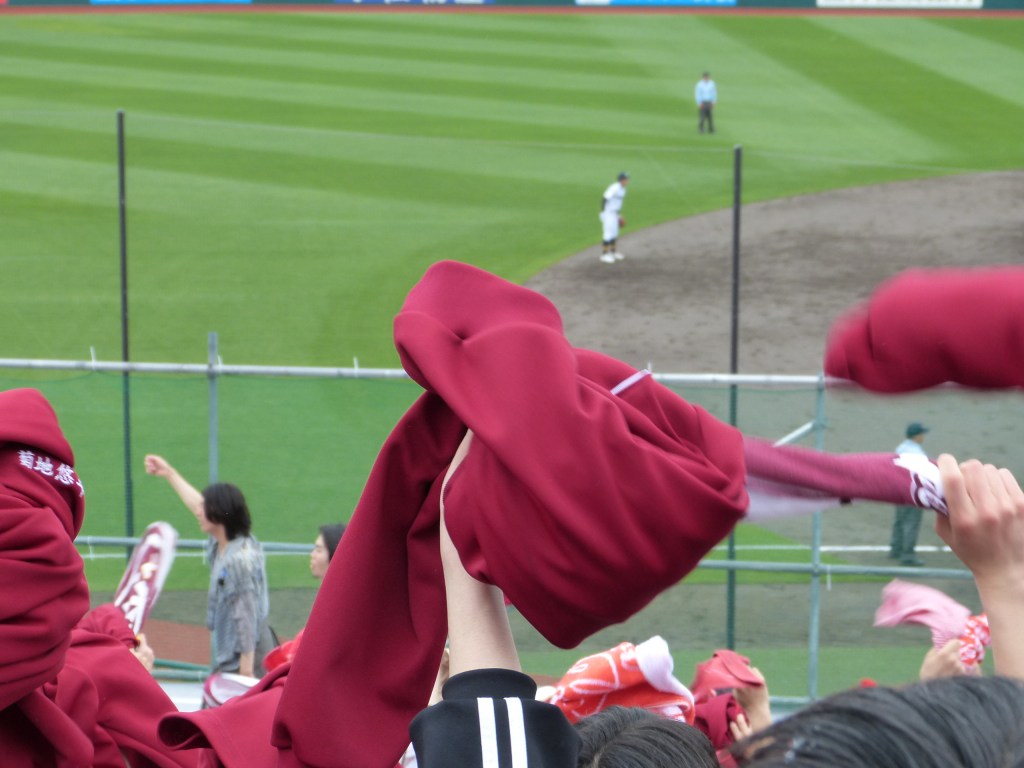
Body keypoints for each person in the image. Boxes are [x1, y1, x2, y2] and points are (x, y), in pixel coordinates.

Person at [144, 454, 272, 678]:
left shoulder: (239, 561)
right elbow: (197, 504)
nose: (198, 511)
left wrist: (246, 675)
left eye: (205, 508)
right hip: (232, 661)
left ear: (219, 513)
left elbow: (247, 619)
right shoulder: (224, 543)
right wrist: (169, 473)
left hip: (244, 666)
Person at [889, 422, 930, 566]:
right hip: (912, 490)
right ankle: (907, 555)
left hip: (898, 489)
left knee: (900, 520)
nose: (923, 437)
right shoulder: (917, 453)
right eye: (922, 434)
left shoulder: (901, 447)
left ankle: (895, 549)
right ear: (917, 436)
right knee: (911, 522)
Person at [599, 171, 629, 263]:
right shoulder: (614, 187)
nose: (627, 181)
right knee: (608, 234)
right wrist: (603, 211)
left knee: (614, 233)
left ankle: (613, 252)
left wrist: (619, 215)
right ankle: (604, 255)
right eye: (626, 179)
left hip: (615, 213)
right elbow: (605, 198)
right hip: (608, 213)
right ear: (621, 180)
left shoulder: (623, 189)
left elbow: (617, 203)